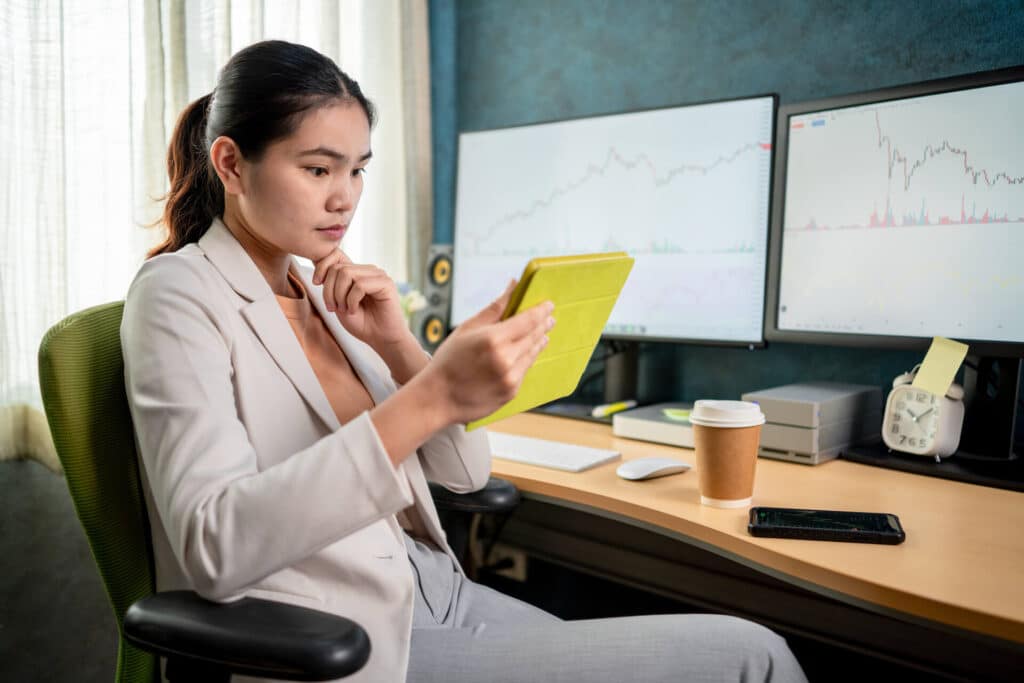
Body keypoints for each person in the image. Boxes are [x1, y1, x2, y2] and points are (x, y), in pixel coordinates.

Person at [121, 39, 807, 683]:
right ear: (232, 163)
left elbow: (466, 472)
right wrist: (435, 393)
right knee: (758, 657)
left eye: (358, 169)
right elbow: (213, 544)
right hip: (344, 636)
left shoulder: (323, 291)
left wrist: (400, 346)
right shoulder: (179, 295)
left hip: (438, 590)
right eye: (318, 168)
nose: (345, 196)